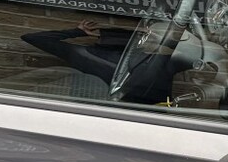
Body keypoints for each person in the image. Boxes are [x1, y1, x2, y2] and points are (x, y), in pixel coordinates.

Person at [22, 17, 199, 105]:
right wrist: (77, 32)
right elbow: (33, 38)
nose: (148, 35)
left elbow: (193, 57)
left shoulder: (163, 61)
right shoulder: (86, 55)